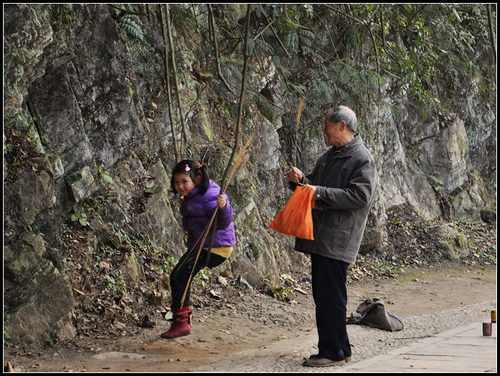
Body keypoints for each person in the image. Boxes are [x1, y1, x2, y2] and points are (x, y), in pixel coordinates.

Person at [287, 105, 379, 367]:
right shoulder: (329, 156)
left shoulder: (362, 159)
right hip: (322, 237)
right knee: (327, 296)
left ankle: (331, 352)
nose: (324, 129)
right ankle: (341, 349)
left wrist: (318, 191)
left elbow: (360, 197)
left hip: (338, 239)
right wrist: (301, 180)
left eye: (327, 124)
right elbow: (313, 184)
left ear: (341, 125)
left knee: (330, 298)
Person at [160, 159, 236, 339]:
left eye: (184, 182)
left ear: (198, 179)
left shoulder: (211, 196)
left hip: (214, 247)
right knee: (180, 275)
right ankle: (182, 321)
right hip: (205, 244)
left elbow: (225, 220)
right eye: (176, 182)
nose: (180, 186)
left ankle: (182, 323)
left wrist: (223, 207)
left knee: (179, 276)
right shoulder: (195, 194)